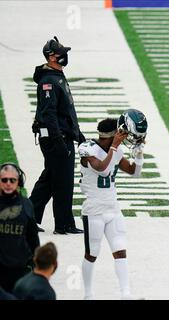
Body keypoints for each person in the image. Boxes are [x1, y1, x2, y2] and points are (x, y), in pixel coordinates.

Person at [79, 111, 147, 300]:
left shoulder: (115, 151)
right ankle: (88, 295)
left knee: (120, 251)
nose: (124, 138)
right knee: (92, 254)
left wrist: (139, 154)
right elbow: (101, 169)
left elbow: (134, 172)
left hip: (112, 208)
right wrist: (115, 147)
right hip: (93, 209)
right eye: (119, 135)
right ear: (110, 136)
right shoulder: (87, 149)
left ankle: (125, 294)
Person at [30, 36, 85, 235]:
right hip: (55, 137)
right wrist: (59, 140)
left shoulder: (57, 75)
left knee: (51, 178)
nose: (65, 56)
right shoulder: (48, 81)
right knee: (63, 180)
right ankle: (64, 224)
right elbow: (49, 114)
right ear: (51, 57)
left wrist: (77, 133)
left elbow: (65, 110)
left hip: (62, 135)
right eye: (61, 53)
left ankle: (28, 217)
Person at [0, 163, 40, 293]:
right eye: (4, 180)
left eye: (12, 180)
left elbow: (33, 238)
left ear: (19, 182)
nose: (8, 183)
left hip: (21, 271)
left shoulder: (27, 205)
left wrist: (36, 264)